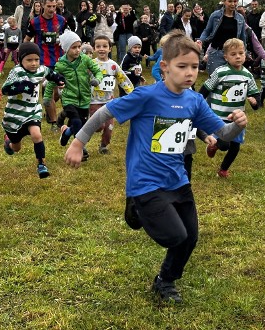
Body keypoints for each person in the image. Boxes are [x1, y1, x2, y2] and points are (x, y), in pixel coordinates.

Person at [64, 29, 248, 304]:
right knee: (174, 235)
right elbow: (105, 112)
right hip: (146, 181)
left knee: (190, 237)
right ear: (165, 67)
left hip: (177, 179)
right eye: (182, 66)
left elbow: (221, 135)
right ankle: (137, 205)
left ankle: (165, 281)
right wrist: (79, 142)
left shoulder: (195, 100)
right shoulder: (146, 96)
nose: (190, 73)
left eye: (195, 67)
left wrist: (237, 125)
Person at [1, 42, 65, 178]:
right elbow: (5, 89)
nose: (34, 63)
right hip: (15, 115)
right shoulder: (17, 72)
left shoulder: (41, 69)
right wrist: (22, 86)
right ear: (20, 60)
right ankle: (9, 143)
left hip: (32, 111)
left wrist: (59, 79)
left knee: (36, 134)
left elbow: (50, 73)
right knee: (16, 148)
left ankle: (41, 164)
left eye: (36, 59)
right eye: (29, 60)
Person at [199, 38, 260, 178]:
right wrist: (197, 103)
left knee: (235, 146)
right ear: (225, 57)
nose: (238, 56)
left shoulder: (248, 75)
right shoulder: (220, 72)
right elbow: (205, 88)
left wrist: (254, 102)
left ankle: (223, 169)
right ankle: (214, 144)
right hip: (218, 116)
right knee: (224, 145)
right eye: (233, 54)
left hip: (237, 119)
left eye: (241, 53)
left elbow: (256, 95)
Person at [47, 31, 103, 160]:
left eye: (79, 46)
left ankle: (66, 132)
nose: (78, 50)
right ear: (66, 49)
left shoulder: (85, 59)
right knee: (77, 122)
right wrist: (47, 97)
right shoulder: (61, 64)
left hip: (84, 99)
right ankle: (80, 150)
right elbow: (51, 81)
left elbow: (97, 71)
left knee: (81, 126)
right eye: (74, 47)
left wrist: (97, 80)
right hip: (69, 99)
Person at [24, 0, 67, 128]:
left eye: (54, 6)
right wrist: (24, 54)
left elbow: (66, 38)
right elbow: (27, 39)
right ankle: (54, 123)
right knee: (47, 88)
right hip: (42, 62)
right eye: (49, 6)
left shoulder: (61, 20)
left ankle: (48, 109)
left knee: (57, 93)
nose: (52, 9)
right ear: (42, 5)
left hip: (59, 61)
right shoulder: (34, 22)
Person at [89, 35, 134, 154]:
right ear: (94, 49)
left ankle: (104, 146)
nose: (101, 49)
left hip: (109, 102)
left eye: (105, 46)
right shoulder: (91, 64)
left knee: (109, 127)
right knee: (99, 126)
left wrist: (132, 93)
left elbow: (122, 79)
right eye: (98, 46)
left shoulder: (113, 65)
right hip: (94, 101)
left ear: (110, 48)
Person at [197, 0, 247, 75]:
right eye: (230, 1)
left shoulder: (240, 18)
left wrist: (244, 52)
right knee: (215, 83)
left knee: (232, 82)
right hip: (216, 54)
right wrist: (200, 40)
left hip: (233, 55)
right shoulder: (215, 16)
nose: (233, 4)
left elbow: (242, 37)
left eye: (235, 1)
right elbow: (207, 31)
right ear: (224, 1)